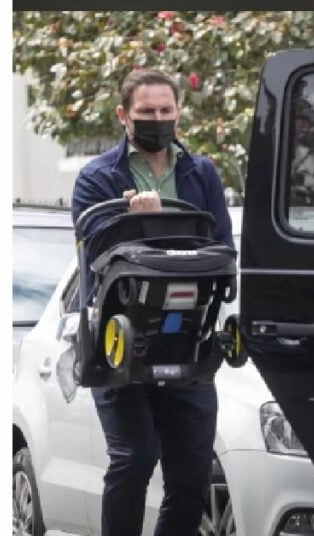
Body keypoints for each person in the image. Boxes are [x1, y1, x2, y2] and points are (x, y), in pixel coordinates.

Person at [70, 68, 234, 536]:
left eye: (165, 111)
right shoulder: (97, 178)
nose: (157, 120)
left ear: (178, 112)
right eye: (146, 112)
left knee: (191, 477)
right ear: (124, 115)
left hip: (188, 337)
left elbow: (221, 246)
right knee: (134, 459)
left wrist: (155, 222)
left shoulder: (200, 173)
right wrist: (146, 224)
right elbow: (101, 258)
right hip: (119, 338)